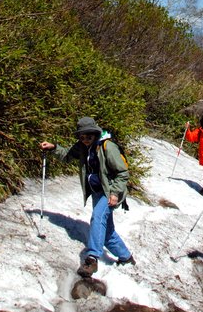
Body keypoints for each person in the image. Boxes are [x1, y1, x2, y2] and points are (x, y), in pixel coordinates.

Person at [40, 116, 134, 278]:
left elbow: (122, 172)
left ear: (95, 133)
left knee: (97, 219)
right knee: (106, 231)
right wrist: (53, 147)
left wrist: (114, 193)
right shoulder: (83, 147)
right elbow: (67, 155)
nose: (85, 140)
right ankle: (126, 257)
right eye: (82, 137)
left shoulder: (107, 147)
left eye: (88, 136)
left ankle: (92, 259)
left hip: (110, 191)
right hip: (98, 192)